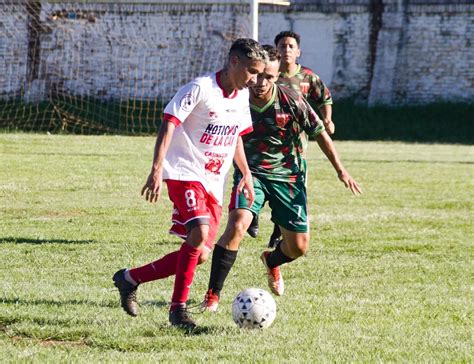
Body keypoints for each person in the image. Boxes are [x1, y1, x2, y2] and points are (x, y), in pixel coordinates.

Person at [112, 38, 268, 330]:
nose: (255, 79)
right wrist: (157, 169)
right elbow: (169, 121)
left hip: (214, 181)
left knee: (199, 255)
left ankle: (130, 278)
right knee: (200, 233)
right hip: (185, 172)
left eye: (259, 73)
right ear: (234, 61)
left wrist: (245, 173)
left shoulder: (241, 97)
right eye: (252, 71)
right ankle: (177, 312)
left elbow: (235, 136)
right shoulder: (201, 88)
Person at [202, 45, 361, 312]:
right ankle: (212, 295)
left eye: (270, 77)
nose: (261, 82)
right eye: (258, 75)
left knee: (298, 247)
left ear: (277, 77)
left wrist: (340, 169)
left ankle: (272, 261)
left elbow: (320, 132)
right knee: (238, 224)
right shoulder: (236, 99)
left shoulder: (293, 101)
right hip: (251, 173)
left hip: (288, 177)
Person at [247, 30, 336, 247]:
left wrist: (327, 119)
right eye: (282, 46)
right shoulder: (262, 74)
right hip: (263, 143)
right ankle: (253, 214)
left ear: (298, 51)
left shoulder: (307, 77)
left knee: (293, 189)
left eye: (290, 46)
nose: (286, 50)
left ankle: (280, 230)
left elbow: (324, 97)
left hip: (295, 147)